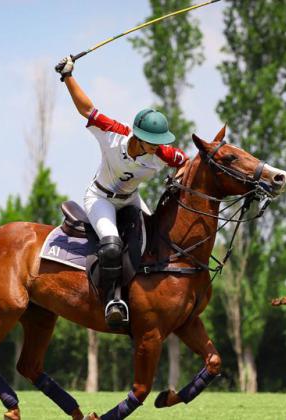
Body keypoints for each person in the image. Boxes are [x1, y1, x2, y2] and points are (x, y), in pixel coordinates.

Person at [55, 55, 188, 330]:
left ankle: (147, 296)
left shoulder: (164, 154)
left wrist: (176, 178)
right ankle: (113, 301)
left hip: (131, 200)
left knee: (156, 239)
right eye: (152, 142)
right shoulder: (113, 134)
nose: (158, 147)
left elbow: (186, 163)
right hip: (100, 199)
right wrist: (68, 76)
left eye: (160, 142)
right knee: (113, 244)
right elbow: (87, 110)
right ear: (138, 137)